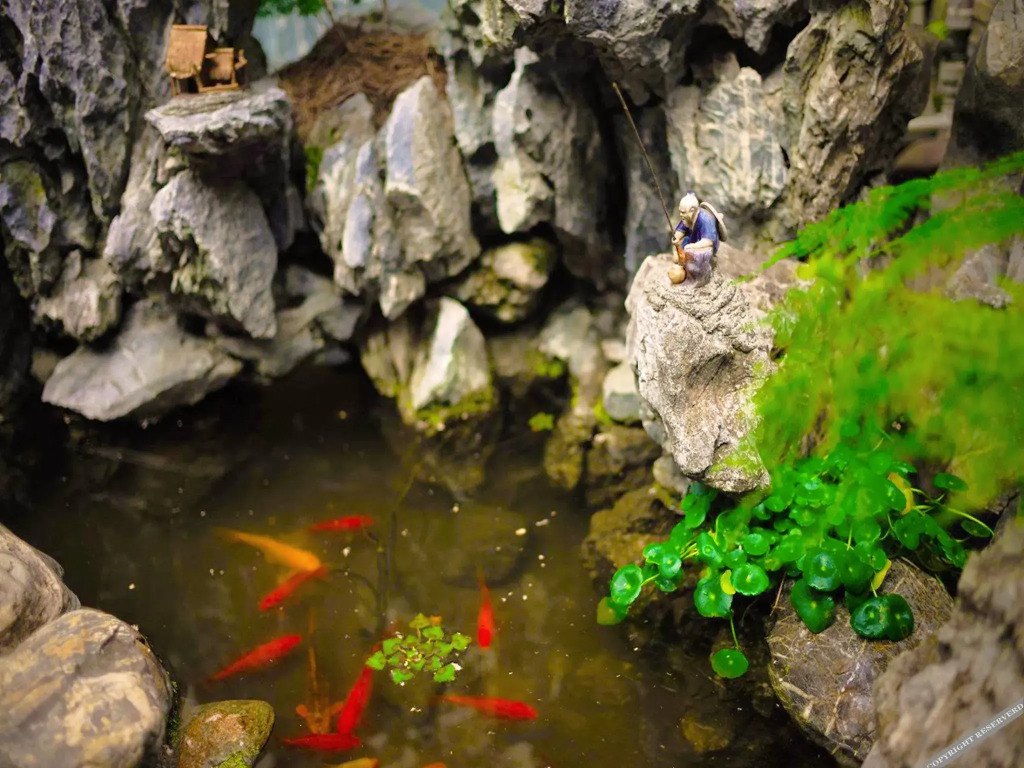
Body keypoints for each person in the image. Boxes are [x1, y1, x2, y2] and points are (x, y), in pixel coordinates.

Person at [669, 192, 726, 286]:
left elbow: (708, 241)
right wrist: (676, 239)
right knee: (680, 251)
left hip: (704, 247)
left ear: (692, 210)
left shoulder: (706, 219)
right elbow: (680, 231)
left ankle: (698, 278)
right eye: (680, 212)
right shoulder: (686, 218)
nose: (681, 214)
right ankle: (683, 267)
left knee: (696, 254)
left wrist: (692, 246)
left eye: (683, 212)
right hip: (692, 241)